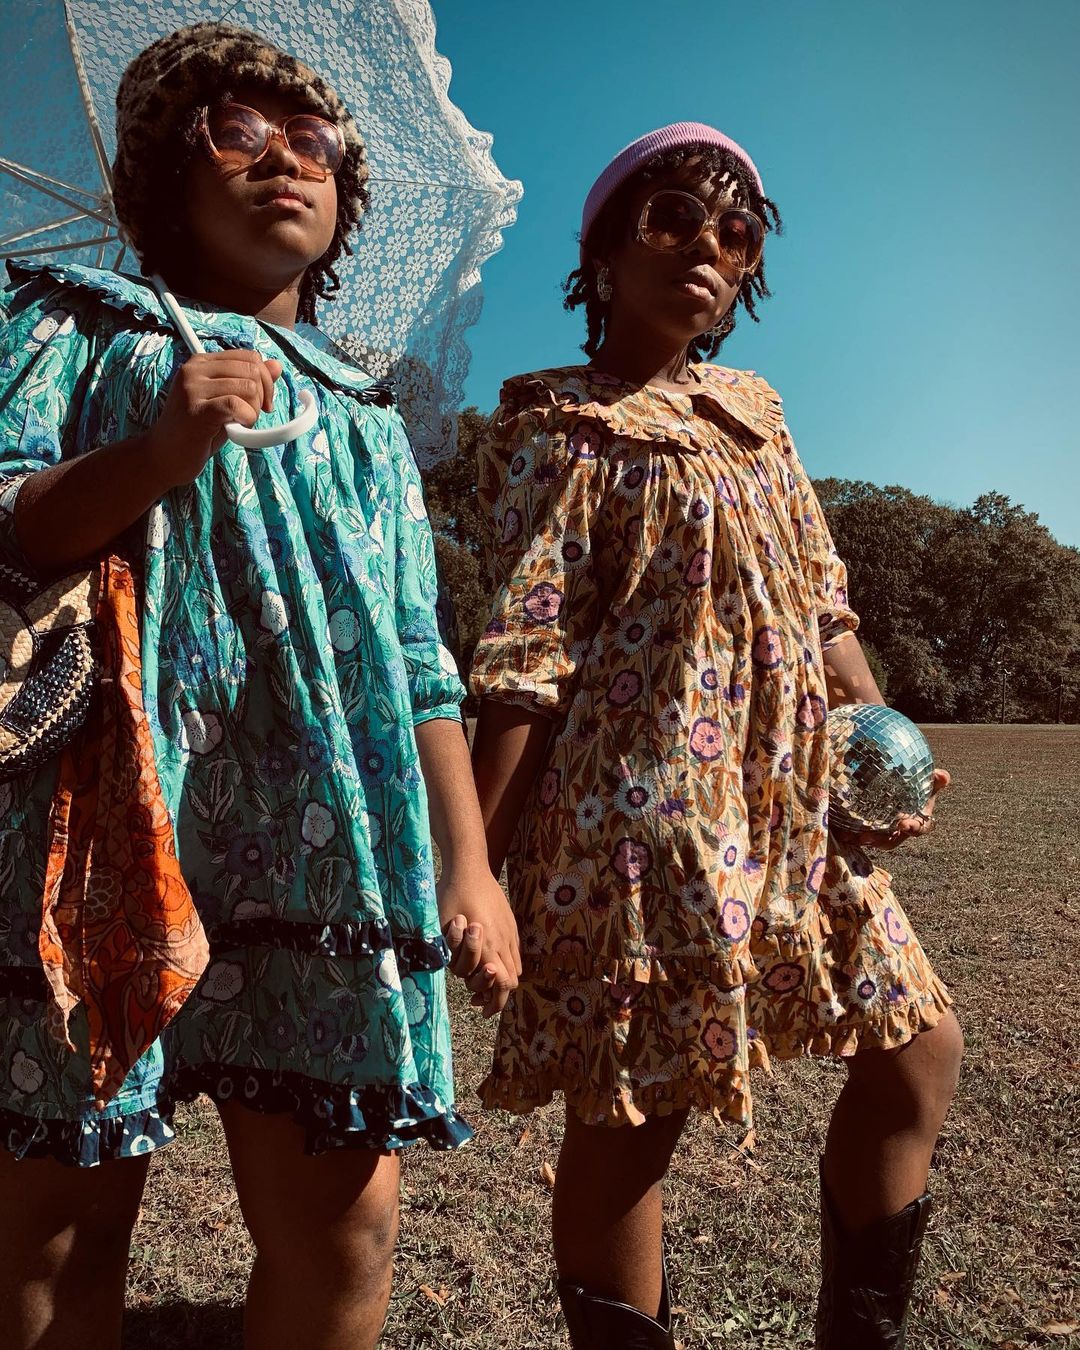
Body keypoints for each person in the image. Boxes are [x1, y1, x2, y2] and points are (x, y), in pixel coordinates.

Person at [0, 23, 518, 1350]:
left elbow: (419, 656)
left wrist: (470, 864)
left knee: (345, 1223)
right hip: (110, 818)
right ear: (163, 176)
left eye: (313, 141)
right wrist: (156, 449)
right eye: (233, 133)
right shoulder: (70, 327)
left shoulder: (370, 416)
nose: (282, 156)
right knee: (58, 1222)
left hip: (325, 846)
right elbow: (13, 523)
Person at [469, 122, 963, 1349]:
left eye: (736, 231)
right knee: (635, 1120)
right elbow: (524, 660)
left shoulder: (757, 412)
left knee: (917, 1047)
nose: (707, 244)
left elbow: (823, 603)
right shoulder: (555, 423)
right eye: (672, 218)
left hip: (793, 808)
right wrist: (475, 864)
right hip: (643, 830)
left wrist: (877, 742)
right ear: (602, 253)